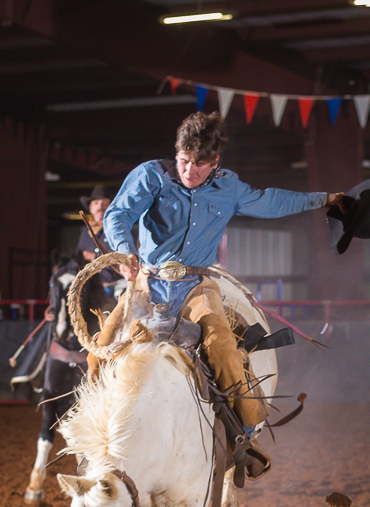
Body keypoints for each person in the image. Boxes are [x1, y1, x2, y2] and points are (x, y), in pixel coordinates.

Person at [95, 112, 345, 474]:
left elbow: (269, 201)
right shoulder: (151, 174)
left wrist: (325, 199)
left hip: (197, 286)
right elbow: (118, 214)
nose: (189, 171)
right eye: (184, 161)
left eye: (199, 164)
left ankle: (245, 434)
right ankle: (90, 433)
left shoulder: (228, 188)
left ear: (215, 163)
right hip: (147, 283)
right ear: (176, 152)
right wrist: (122, 251)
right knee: (101, 348)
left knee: (222, 345)